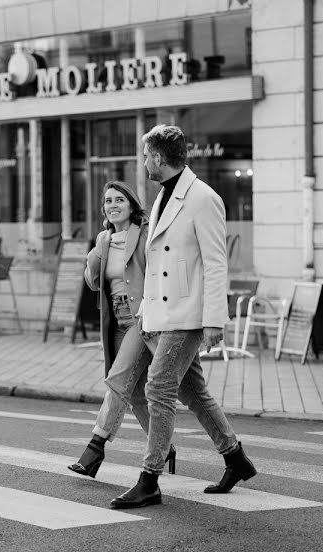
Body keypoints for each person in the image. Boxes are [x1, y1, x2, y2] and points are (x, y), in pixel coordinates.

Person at [107, 124, 256, 510]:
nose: (143, 163)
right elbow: (159, 263)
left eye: (145, 157)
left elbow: (215, 263)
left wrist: (214, 321)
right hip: (159, 312)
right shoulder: (162, 198)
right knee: (193, 391)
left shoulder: (203, 198)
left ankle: (150, 478)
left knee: (158, 387)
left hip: (187, 314)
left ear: (157, 158)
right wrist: (145, 311)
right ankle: (234, 457)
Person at [67, 181, 176, 478]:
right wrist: (94, 258)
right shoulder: (104, 239)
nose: (112, 205)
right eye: (107, 201)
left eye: (119, 200)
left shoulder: (144, 236)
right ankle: (165, 448)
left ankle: (95, 448)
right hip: (115, 321)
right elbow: (94, 282)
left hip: (141, 320)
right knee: (137, 393)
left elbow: (158, 273)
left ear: (131, 205)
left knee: (117, 381)